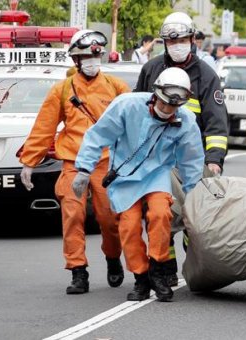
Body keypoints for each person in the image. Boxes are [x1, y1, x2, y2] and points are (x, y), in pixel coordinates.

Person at [73, 67, 205, 302]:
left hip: (157, 173)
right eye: (164, 103)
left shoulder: (185, 121)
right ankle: (141, 278)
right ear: (155, 94)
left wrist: (192, 193)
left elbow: (191, 159)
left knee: (160, 214)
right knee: (129, 226)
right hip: (124, 174)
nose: (167, 110)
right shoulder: (127, 106)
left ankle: (158, 270)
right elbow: (97, 135)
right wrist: (84, 169)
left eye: (174, 106)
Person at [19, 30, 131, 295]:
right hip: (72, 161)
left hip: (106, 162)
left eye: (95, 55)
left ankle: (113, 257)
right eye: (85, 57)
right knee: (73, 215)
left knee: (109, 219)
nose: (92, 61)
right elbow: (44, 127)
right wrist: (29, 162)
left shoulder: (117, 87)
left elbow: (133, 124)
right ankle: (78, 270)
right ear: (75, 61)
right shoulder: (62, 90)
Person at [134, 11, 229, 286]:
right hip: (156, 158)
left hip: (191, 160)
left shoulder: (206, 76)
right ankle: (164, 265)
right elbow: (138, 111)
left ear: (192, 39)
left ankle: (191, 249)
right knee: (158, 213)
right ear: (164, 42)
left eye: (183, 39)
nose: (177, 45)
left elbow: (216, 122)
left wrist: (214, 160)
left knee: (192, 215)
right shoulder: (151, 70)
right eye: (171, 41)